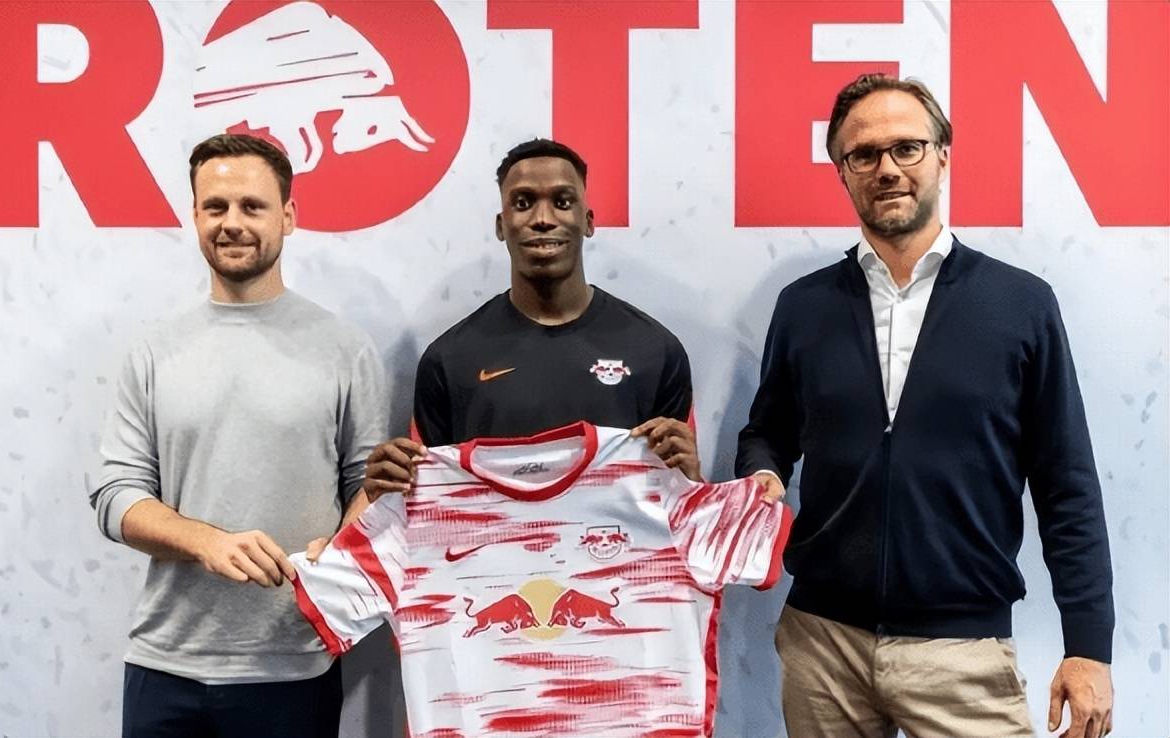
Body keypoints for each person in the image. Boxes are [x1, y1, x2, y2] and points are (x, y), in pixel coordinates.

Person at [736, 74, 1114, 738]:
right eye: (864, 154)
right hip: (823, 646)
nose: (887, 168)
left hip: (963, 653)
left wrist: (1088, 646)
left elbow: (1067, 484)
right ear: (842, 172)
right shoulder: (803, 307)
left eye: (906, 147)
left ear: (943, 154)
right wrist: (761, 473)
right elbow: (767, 432)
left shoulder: (1021, 306)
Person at [89, 134, 385, 738]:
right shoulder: (153, 350)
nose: (232, 223)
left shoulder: (344, 348)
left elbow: (371, 487)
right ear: (195, 215)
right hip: (164, 666)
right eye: (215, 207)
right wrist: (207, 542)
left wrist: (345, 544)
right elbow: (115, 498)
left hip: (294, 664)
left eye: (252, 206)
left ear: (288, 216)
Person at [308, 138, 702, 558]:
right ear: (501, 225)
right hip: (488, 581)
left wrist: (692, 478)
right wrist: (357, 528)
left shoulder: (654, 350)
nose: (543, 219)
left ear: (587, 221)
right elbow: (423, 506)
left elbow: (684, 504)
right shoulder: (450, 360)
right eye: (524, 203)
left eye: (562, 202)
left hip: (614, 580)